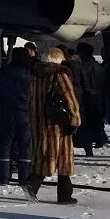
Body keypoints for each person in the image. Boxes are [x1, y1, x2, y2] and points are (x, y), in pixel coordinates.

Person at [26, 47, 81, 204]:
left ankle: (58, 192)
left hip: (39, 122)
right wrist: (75, 119)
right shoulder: (59, 74)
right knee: (62, 157)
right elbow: (70, 98)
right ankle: (35, 186)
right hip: (58, 124)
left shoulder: (35, 75)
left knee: (43, 155)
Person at [0, 45, 34, 188]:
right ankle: (25, 178)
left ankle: (3, 177)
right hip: (25, 114)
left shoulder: (2, 72)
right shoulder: (30, 74)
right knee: (25, 146)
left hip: (6, 113)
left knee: (5, 146)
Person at [72, 42, 106, 154]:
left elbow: (84, 84)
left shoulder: (84, 67)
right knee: (97, 120)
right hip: (99, 97)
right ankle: (99, 140)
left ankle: (87, 146)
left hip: (87, 99)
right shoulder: (99, 66)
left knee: (85, 123)